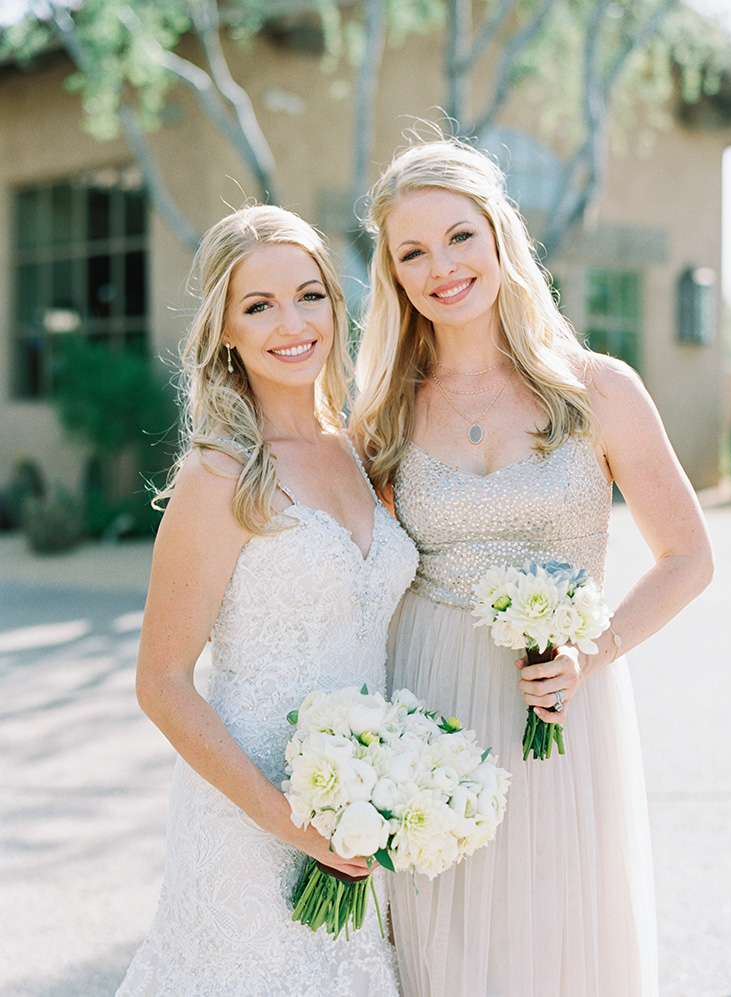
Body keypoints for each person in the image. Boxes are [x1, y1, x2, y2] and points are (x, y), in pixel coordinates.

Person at [353, 138, 713, 997]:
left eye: (459, 236)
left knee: (557, 937)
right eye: (413, 252)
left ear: (500, 235)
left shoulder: (598, 389)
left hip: (559, 702)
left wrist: (596, 652)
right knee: (444, 943)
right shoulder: (384, 416)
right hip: (428, 703)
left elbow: (689, 556)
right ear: (394, 274)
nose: (442, 266)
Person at [115, 204, 418, 997]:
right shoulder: (219, 474)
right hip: (248, 822)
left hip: (358, 819)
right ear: (225, 329)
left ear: (335, 304)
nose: (293, 322)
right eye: (260, 305)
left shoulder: (362, 452)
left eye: (310, 295)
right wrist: (289, 821)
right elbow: (162, 681)